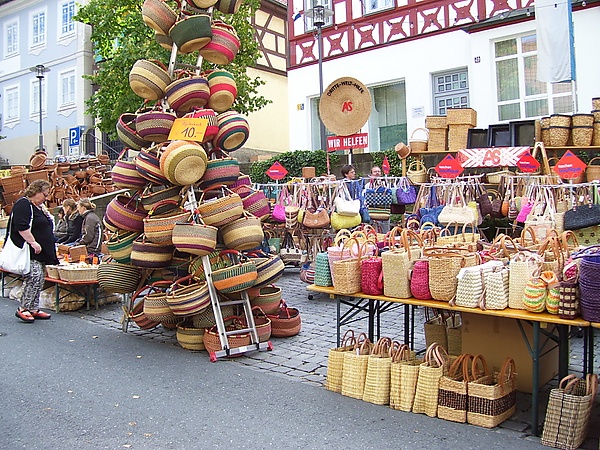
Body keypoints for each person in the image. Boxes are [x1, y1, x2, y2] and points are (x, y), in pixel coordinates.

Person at [9, 179, 59, 322]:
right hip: (30, 251)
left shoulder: (38, 207)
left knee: (40, 278)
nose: (46, 198)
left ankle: (33, 307)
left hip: (40, 252)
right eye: (45, 195)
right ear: (36, 192)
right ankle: (23, 308)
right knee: (34, 277)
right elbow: (21, 226)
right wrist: (33, 242)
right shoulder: (24, 204)